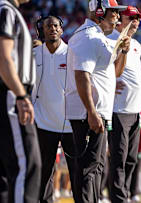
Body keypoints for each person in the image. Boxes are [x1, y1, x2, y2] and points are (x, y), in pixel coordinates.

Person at [64, 0, 127, 202]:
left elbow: (113, 73)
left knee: (96, 166)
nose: (117, 17)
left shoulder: (95, 36)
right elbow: (82, 76)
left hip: (96, 112)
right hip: (88, 114)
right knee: (88, 168)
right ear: (99, 12)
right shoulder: (88, 37)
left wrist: (123, 51)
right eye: (113, 12)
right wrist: (91, 112)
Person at [0, 0, 42, 202]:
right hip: (10, 93)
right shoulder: (6, 10)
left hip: (11, 92)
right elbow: (3, 58)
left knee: (5, 173)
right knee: (26, 164)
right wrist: (20, 95)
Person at [106, 6, 141, 203]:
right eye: (131, 17)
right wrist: (108, 84)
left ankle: (125, 194)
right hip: (119, 109)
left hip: (135, 109)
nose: (136, 21)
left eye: (138, 18)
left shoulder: (137, 44)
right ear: (119, 20)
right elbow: (102, 69)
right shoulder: (109, 39)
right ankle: (118, 198)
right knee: (119, 158)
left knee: (131, 159)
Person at [32, 15, 75, 203]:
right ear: (42, 30)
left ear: (62, 29)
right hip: (42, 122)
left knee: (77, 173)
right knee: (43, 173)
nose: (53, 29)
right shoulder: (33, 54)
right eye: (48, 26)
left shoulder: (72, 53)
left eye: (56, 26)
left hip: (70, 124)